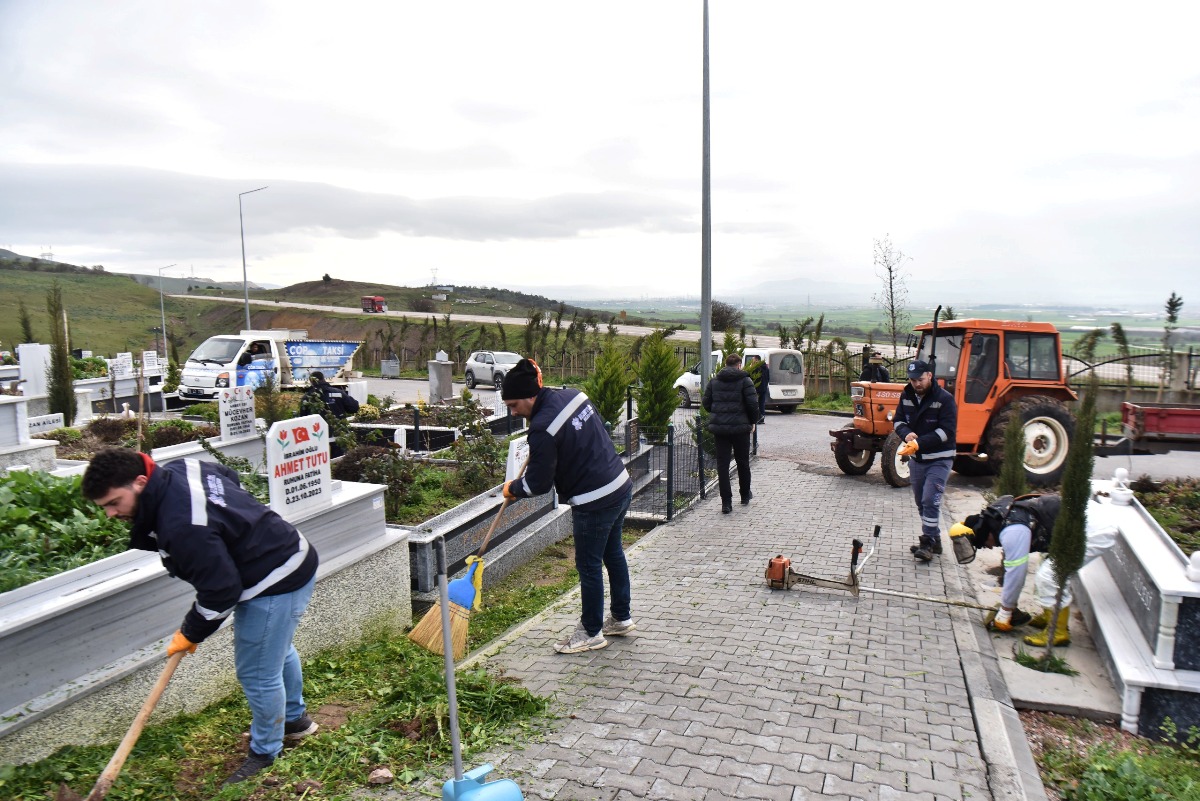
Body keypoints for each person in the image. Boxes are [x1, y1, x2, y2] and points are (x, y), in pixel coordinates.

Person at [81, 448, 320, 785]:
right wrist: (233, 524)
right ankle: (294, 722)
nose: (110, 513)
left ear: (139, 482)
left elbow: (222, 591)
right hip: (289, 551)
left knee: (257, 671)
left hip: (276, 576)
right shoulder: (180, 468)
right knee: (274, 650)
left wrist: (191, 631)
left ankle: (266, 752)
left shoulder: (182, 526)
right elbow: (227, 476)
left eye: (113, 503)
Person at [500, 359, 635, 654]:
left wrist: (512, 487)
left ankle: (590, 632)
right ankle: (621, 619)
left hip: (595, 499)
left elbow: (538, 484)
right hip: (620, 484)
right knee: (613, 554)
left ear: (529, 396)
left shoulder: (542, 428)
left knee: (588, 565)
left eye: (513, 405)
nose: (513, 412)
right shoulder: (575, 395)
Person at [949, 493, 1117, 646]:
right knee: (1046, 567)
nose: (990, 547)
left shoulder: (1012, 531)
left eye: (985, 544)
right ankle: (1050, 615)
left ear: (984, 533)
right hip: (1085, 520)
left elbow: (1017, 573)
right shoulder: (1002, 519)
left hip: (1095, 530)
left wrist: (1006, 610)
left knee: (1049, 576)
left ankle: (1057, 632)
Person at [893, 360, 957, 562]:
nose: (916, 384)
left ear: (930, 376)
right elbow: (898, 420)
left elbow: (946, 431)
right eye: (912, 380)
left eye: (920, 380)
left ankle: (927, 543)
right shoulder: (907, 395)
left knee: (930, 500)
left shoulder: (945, 399)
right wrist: (906, 433)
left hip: (940, 459)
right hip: (917, 460)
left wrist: (920, 442)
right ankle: (935, 539)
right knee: (922, 503)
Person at [702, 353, 759, 514]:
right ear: (739, 365)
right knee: (743, 462)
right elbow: (753, 404)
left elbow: (706, 403)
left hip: (720, 430)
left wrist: (718, 414)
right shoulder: (745, 380)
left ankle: (726, 503)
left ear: (725, 365)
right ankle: (745, 495)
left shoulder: (714, 381)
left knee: (722, 465)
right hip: (741, 429)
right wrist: (752, 422)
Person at [300, 371, 360, 457]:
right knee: (338, 458)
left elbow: (302, 418)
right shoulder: (338, 393)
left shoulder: (307, 397)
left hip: (316, 434)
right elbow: (354, 407)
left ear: (311, 381)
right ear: (323, 379)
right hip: (338, 432)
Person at [752, 356, 771, 424]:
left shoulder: (756, 368)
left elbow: (754, 378)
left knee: (756, 404)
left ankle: (758, 417)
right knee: (762, 403)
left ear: (757, 360)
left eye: (753, 360)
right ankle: (762, 417)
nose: (752, 362)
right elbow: (768, 378)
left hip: (757, 388)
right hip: (764, 388)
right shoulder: (766, 368)